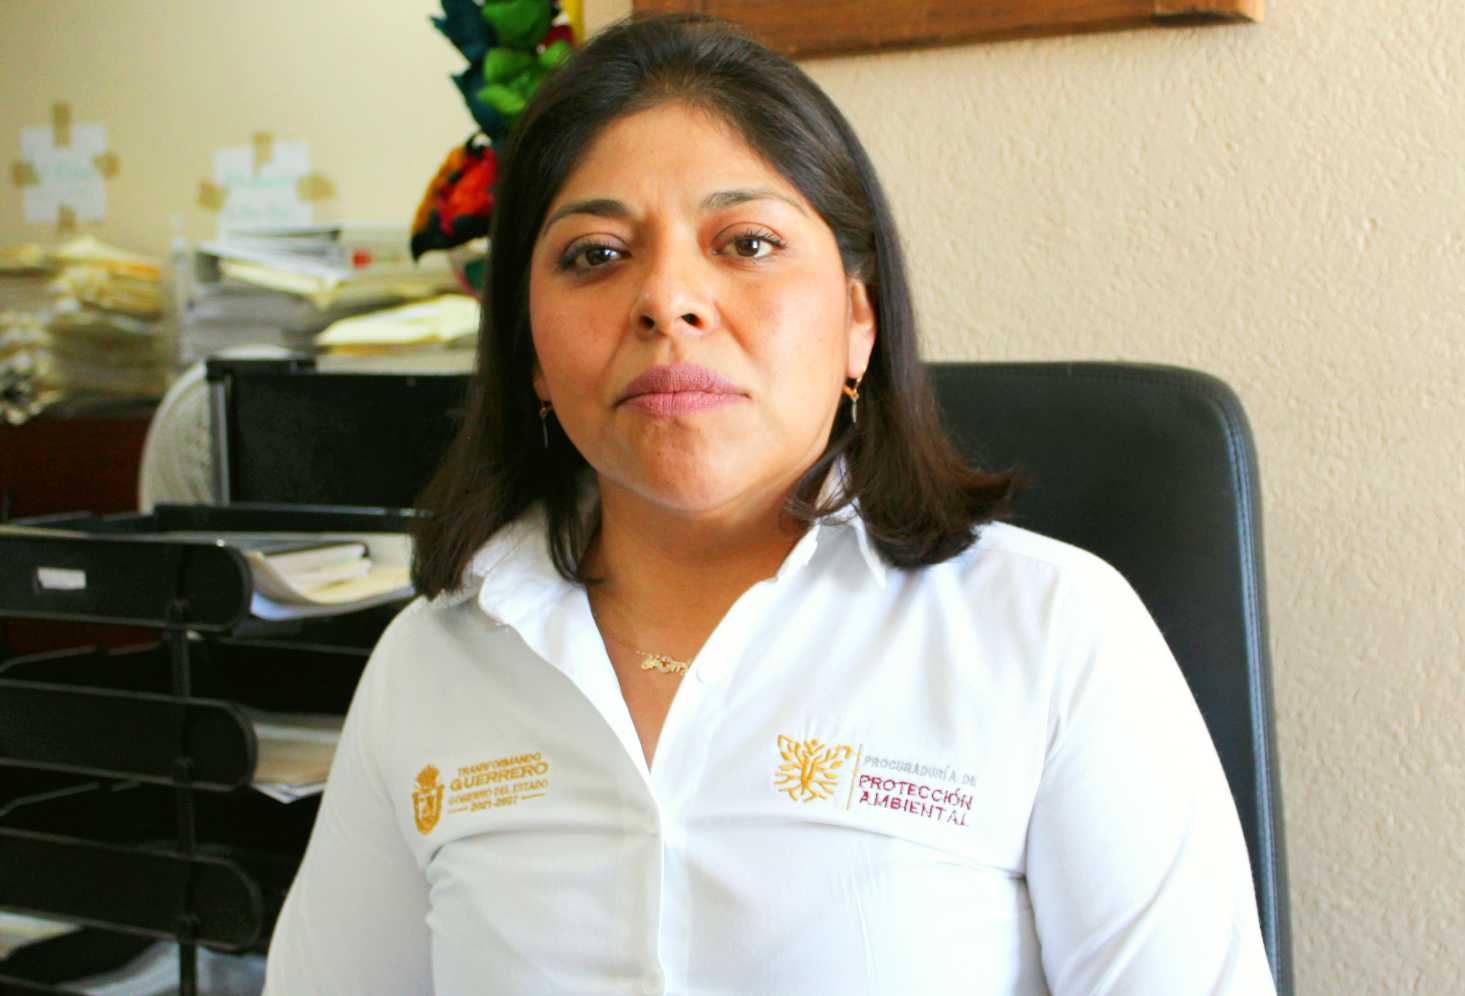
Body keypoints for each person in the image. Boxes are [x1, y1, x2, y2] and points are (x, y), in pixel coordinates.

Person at [264, 14, 1275, 995]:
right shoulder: (429, 665)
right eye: (595, 254)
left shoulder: (1052, 634)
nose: (667, 300)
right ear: (528, 349)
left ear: (857, 321)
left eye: (745, 243)